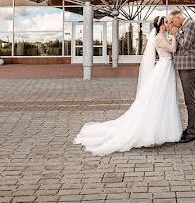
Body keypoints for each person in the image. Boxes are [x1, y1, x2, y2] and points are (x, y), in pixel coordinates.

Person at [74, 16, 182, 155]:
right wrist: (174, 36)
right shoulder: (159, 38)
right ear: (161, 24)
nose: (169, 24)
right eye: (167, 22)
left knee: (166, 99)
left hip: (166, 67)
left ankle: (166, 130)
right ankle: (153, 131)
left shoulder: (162, 36)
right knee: (159, 98)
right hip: (163, 66)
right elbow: (173, 49)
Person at [169, 9, 195, 143]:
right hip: (184, 67)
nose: (172, 25)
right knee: (188, 99)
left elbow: (186, 44)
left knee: (189, 100)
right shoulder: (185, 26)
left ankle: (192, 131)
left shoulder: (190, 24)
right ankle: (191, 129)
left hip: (188, 67)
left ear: (178, 17)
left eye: (172, 21)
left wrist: (176, 35)